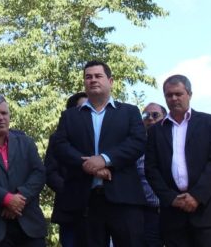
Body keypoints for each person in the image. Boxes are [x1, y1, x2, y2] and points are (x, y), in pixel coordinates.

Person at [50, 60, 147, 247]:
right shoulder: (70, 116)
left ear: (110, 81)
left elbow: (137, 143)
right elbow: (60, 145)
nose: (93, 80)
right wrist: (89, 166)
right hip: (85, 200)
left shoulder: (129, 112)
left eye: (98, 76)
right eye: (88, 77)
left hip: (124, 199)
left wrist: (105, 159)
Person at [144, 75, 211, 247]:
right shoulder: (156, 131)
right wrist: (171, 198)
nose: (174, 98)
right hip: (173, 215)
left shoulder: (209, 123)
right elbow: (151, 169)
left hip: (206, 212)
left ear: (189, 94)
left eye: (178, 93)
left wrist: (196, 196)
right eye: (169, 95)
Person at [0, 94, 47, 247]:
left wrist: (19, 199)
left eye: (4, 113)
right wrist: (6, 199)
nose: (1, 118)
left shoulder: (26, 142)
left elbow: (39, 173)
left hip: (29, 225)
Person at [44, 92, 86, 247]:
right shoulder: (58, 138)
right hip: (69, 210)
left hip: (100, 209)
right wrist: (70, 190)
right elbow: (50, 172)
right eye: (83, 108)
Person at [138, 102, 166, 247]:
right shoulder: (135, 148)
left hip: (174, 211)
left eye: (155, 115)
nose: (150, 119)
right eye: (145, 115)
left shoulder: (174, 144)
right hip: (147, 214)